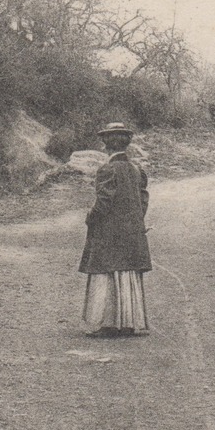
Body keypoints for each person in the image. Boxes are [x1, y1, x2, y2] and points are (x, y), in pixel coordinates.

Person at [78, 122, 151, 338]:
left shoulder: (106, 169)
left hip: (109, 233)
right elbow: (143, 201)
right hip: (132, 233)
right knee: (128, 271)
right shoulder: (137, 170)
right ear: (126, 145)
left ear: (106, 145)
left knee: (106, 272)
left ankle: (107, 322)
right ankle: (128, 322)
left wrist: (90, 217)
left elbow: (103, 203)